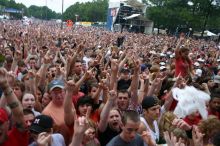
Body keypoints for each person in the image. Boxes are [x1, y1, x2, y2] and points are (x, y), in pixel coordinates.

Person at [0, 67, 29, 145]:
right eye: (14, 89)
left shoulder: (16, 137)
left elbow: (19, 115)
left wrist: (6, 86)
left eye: (0, 123)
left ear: (8, 124)